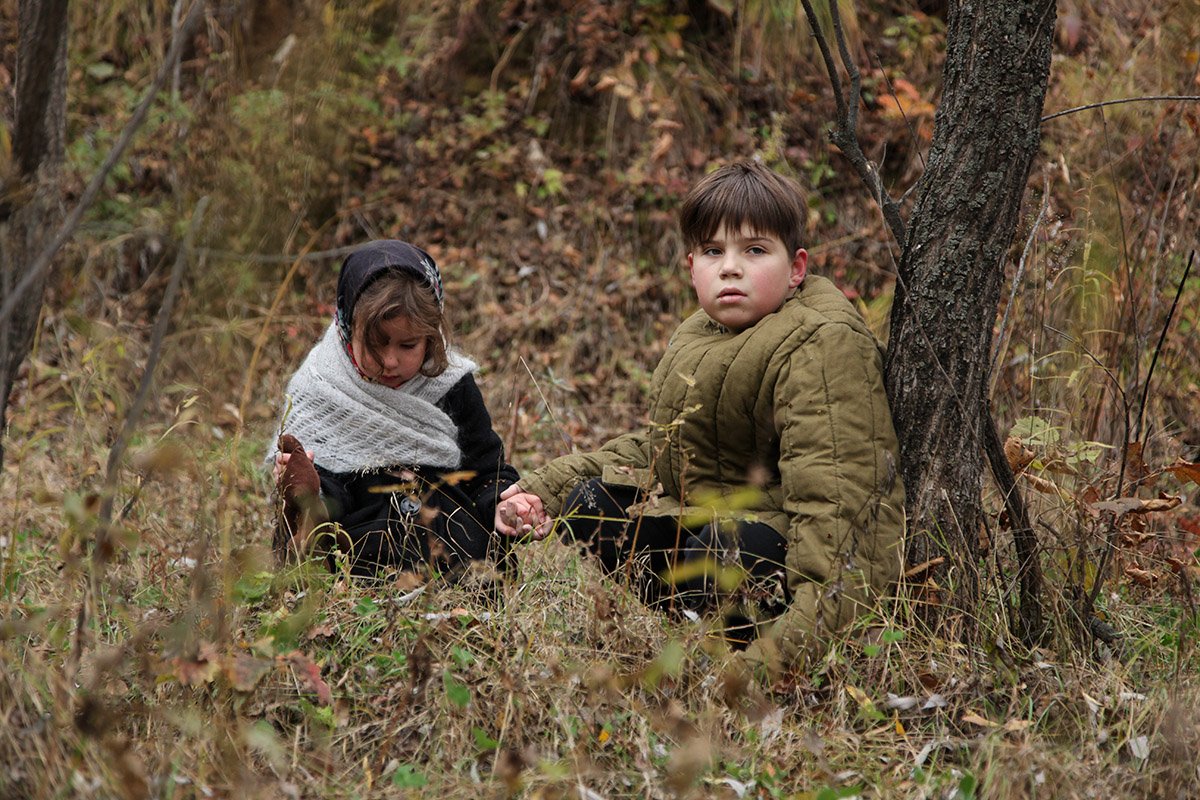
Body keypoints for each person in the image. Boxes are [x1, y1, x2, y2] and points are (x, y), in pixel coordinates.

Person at [504, 160, 905, 673]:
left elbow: (843, 515)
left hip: (771, 545)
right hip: (714, 525)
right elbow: (664, 451)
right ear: (691, 264)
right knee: (591, 506)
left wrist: (774, 665)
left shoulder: (819, 344)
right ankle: (695, 627)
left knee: (719, 550)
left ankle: (741, 641)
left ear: (797, 267)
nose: (730, 267)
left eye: (754, 250)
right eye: (714, 251)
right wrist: (547, 488)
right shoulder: (704, 331)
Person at [268, 239, 542, 579]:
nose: (390, 361)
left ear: (431, 338)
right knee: (326, 546)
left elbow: (486, 469)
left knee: (479, 566)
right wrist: (309, 491)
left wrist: (503, 503)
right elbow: (330, 480)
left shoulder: (450, 385)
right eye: (375, 344)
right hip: (359, 549)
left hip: (452, 545)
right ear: (347, 328)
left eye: (408, 345)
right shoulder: (323, 387)